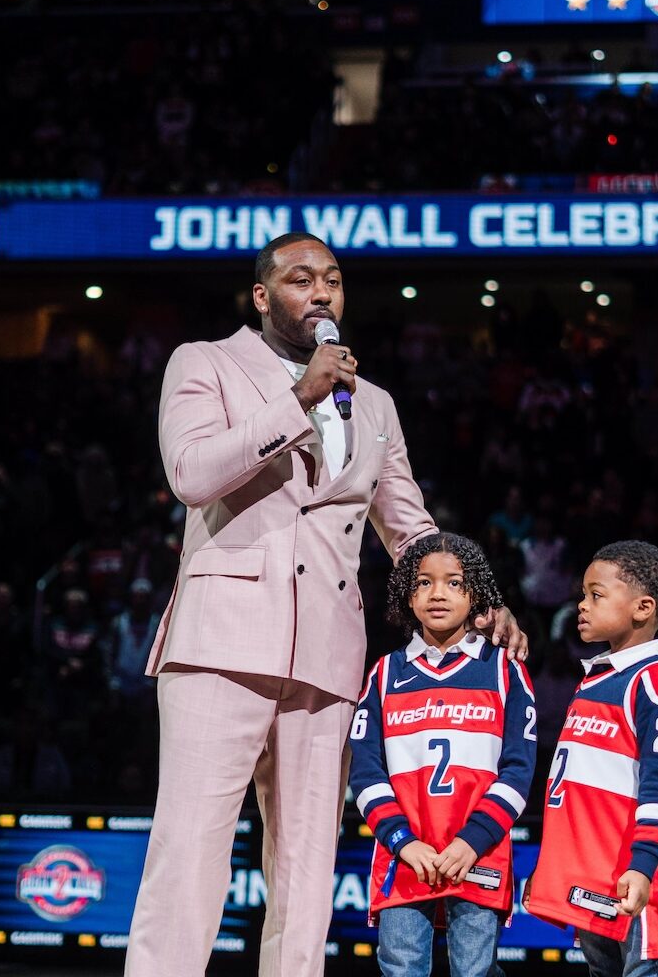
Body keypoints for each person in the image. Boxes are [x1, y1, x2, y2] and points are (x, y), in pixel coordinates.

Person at [125, 232, 527, 977]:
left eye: (333, 281)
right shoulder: (204, 362)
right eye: (300, 278)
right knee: (189, 855)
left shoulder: (374, 403)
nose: (321, 292)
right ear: (261, 295)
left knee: (307, 870)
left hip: (328, 656)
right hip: (220, 644)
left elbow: (411, 531)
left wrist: (481, 597)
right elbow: (191, 473)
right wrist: (296, 396)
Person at [349, 532, 537, 977]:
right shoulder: (384, 673)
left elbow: (518, 771)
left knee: (475, 971)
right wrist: (403, 841)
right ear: (406, 595)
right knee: (401, 969)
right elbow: (366, 773)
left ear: (477, 595)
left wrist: (472, 841)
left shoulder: (504, 670)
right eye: (423, 583)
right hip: (405, 854)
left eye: (454, 582)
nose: (437, 593)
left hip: (478, 854)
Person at [523, 541, 658, 977]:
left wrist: (642, 865)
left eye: (596, 595)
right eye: (583, 594)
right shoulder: (594, 680)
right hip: (591, 874)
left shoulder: (657, 684)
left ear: (642, 608)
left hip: (631, 877)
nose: (581, 605)